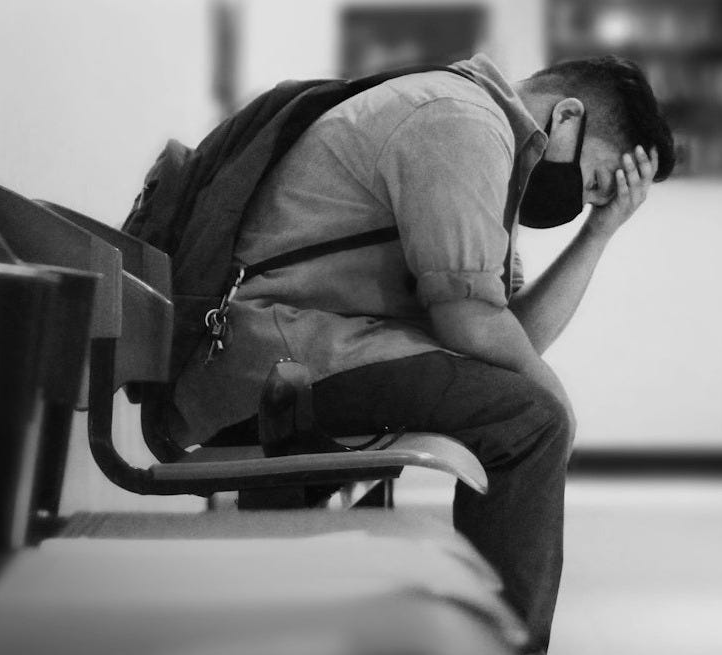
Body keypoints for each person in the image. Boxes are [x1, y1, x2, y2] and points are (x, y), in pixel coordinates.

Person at [173, 52, 675, 653]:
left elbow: (506, 336)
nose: (581, 200)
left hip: (309, 349)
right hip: (280, 352)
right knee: (533, 420)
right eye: (593, 181)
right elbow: (471, 322)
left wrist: (600, 230)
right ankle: (507, 647)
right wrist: (554, 400)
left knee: (524, 404)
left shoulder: (488, 140)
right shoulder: (460, 121)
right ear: (567, 115)